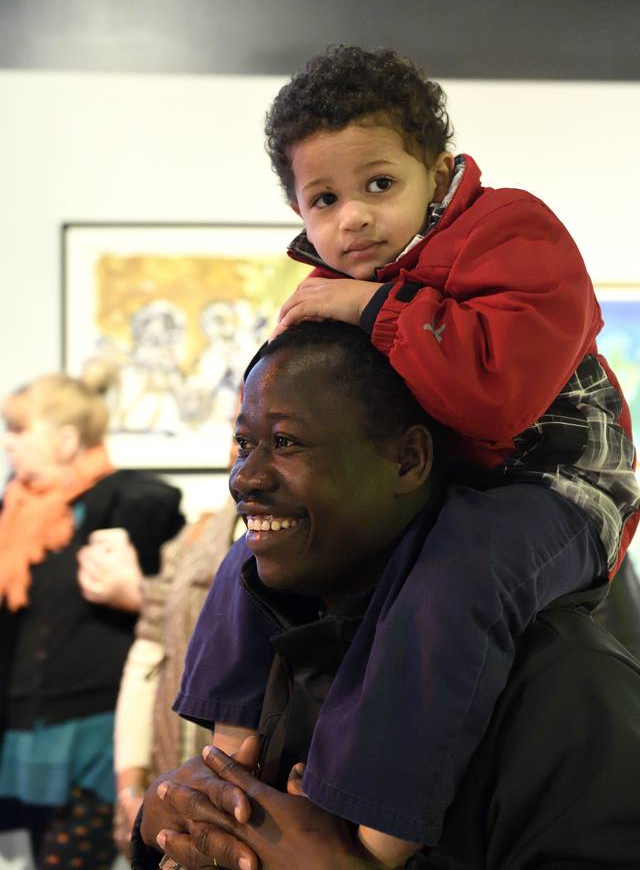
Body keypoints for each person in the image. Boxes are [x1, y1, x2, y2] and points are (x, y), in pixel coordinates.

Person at [169, 46, 640, 855]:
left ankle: (376, 828)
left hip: (557, 479)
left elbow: (495, 400)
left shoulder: (511, 233)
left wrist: (371, 307)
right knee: (250, 556)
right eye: (323, 198)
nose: (351, 217)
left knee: (459, 577)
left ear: (440, 170)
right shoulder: (337, 283)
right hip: (457, 480)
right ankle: (227, 753)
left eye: (378, 184)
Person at [132, 321, 640, 869]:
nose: (245, 478)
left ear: (408, 460)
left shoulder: (566, 680)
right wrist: (160, 829)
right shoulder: (284, 635)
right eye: (244, 443)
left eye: (285, 443)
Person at [0, 371, 185, 870]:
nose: (7, 443)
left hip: (90, 725)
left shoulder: (121, 502)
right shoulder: (15, 509)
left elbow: (157, 505)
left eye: (19, 431)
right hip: (26, 721)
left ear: (65, 440)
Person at [113, 499, 241, 857]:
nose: (241, 453)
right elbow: (148, 657)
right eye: (240, 441)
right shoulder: (197, 534)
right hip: (170, 776)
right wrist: (130, 789)